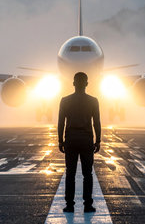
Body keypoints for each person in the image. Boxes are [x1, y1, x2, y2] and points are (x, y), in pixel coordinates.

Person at [58, 72, 101, 213]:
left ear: (73, 83)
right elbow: (97, 123)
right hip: (86, 139)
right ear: (87, 84)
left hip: (70, 139)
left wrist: (60, 140)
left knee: (70, 174)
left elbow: (60, 123)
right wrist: (98, 140)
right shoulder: (93, 101)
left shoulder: (65, 100)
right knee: (87, 174)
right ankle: (87, 205)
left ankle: (69, 205)